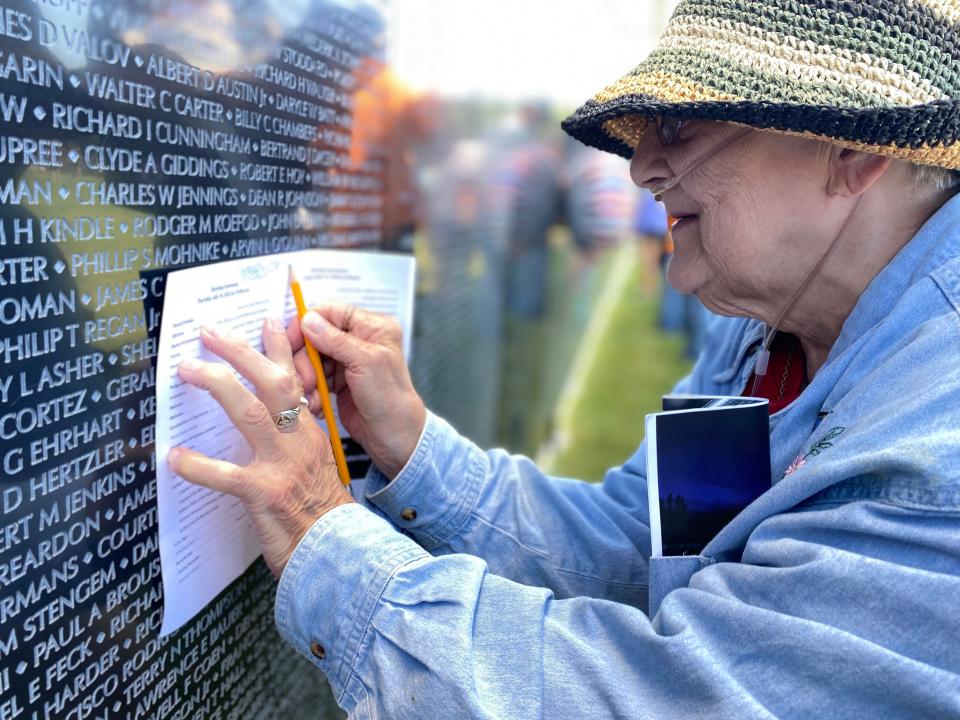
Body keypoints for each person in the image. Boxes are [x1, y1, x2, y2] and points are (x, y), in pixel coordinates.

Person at [168, 1, 960, 717]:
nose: (642, 166)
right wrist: (408, 446)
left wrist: (320, 527)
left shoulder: (937, 442)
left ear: (854, 150)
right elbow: (651, 549)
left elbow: (669, 701)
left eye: (682, 126)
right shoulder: (765, 334)